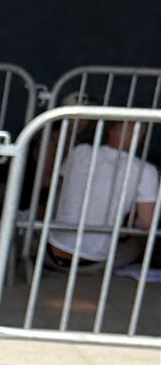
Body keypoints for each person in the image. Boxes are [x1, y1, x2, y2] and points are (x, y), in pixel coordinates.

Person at [45, 115, 158, 269]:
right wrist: (129, 218)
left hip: (50, 251)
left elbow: (62, 188)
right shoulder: (145, 170)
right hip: (89, 261)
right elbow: (146, 223)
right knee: (139, 242)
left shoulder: (79, 151)